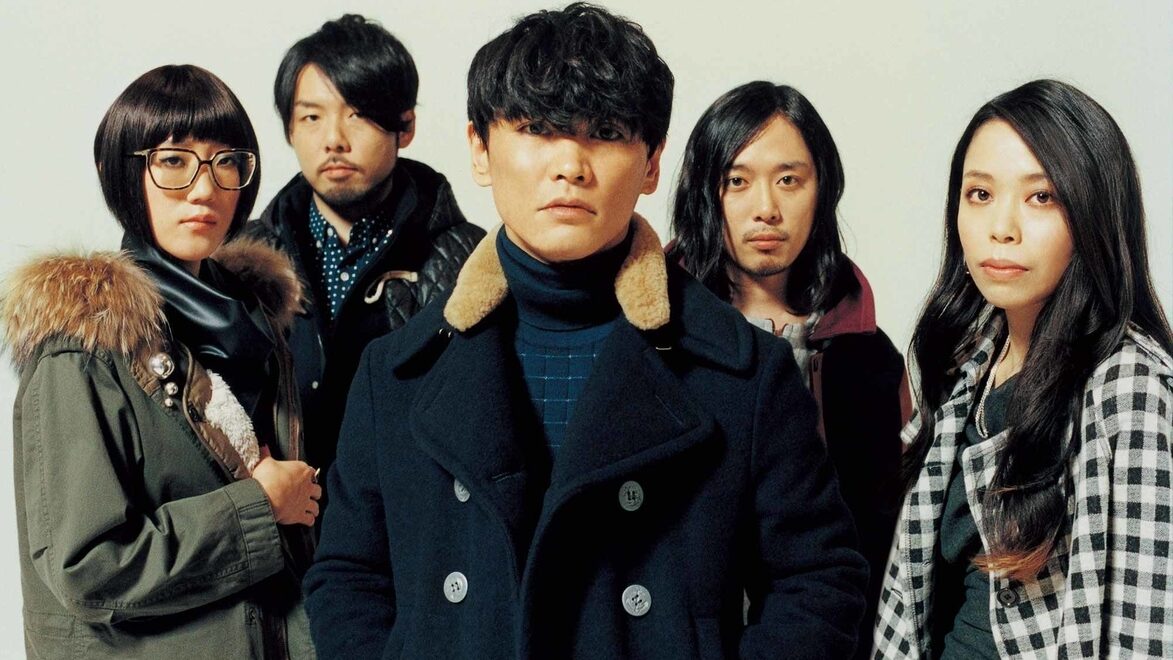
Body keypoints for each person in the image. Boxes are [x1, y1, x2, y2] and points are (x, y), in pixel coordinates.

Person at [304, 4, 867, 659]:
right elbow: (348, 579)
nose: (570, 164)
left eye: (604, 131)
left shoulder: (743, 371)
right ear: (480, 150)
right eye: (537, 128)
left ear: (652, 162)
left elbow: (819, 582)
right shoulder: (396, 372)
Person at [2, 65, 319, 659]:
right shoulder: (83, 348)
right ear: (121, 173)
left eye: (227, 162)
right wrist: (258, 508)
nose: (205, 189)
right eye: (173, 161)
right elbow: (89, 568)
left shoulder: (255, 326)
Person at [873, 79, 1173, 659]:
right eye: (980, 194)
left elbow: (1147, 633)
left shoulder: (1128, 387)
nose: (1002, 227)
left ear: (1092, 213)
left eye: (1041, 197)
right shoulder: (969, 361)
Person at [668, 81, 908, 657]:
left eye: (788, 180)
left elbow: (891, 533)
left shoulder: (871, 357)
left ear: (822, 189)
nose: (766, 209)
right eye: (737, 181)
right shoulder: (657, 340)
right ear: (704, 191)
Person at [247, 14, 485, 495]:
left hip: (412, 518)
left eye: (357, 114)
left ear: (405, 126)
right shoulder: (243, 259)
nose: (334, 139)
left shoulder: (469, 257)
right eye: (311, 117)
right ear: (290, 130)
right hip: (285, 525)